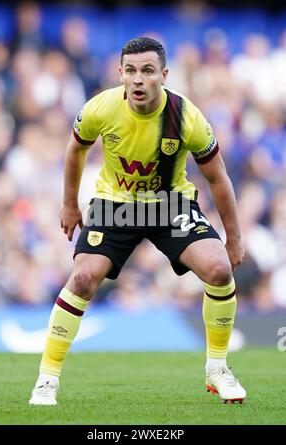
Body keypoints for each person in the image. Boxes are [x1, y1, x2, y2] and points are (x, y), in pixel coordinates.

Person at [29, 37, 246, 405]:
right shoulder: (101, 107)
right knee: (82, 277)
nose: (138, 79)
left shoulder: (187, 116)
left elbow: (218, 178)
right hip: (116, 204)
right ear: (120, 74)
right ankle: (47, 379)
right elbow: (75, 150)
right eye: (130, 71)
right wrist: (69, 204)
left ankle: (218, 368)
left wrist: (234, 238)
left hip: (169, 203)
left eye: (147, 71)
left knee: (219, 270)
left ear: (163, 75)